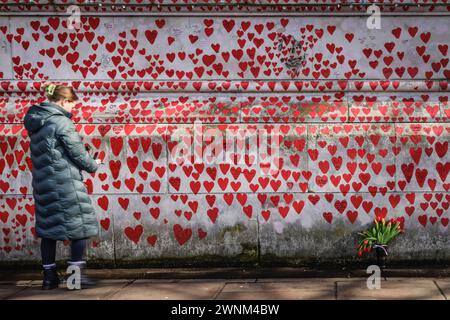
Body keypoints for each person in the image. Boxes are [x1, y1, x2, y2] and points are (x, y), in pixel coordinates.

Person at [23, 83, 102, 290]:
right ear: (64, 101)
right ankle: (75, 278)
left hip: (43, 183)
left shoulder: (36, 121)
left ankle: (49, 277)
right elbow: (77, 153)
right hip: (65, 184)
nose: (73, 109)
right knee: (80, 226)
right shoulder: (62, 123)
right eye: (72, 104)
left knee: (48, 230)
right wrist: (94, 164)